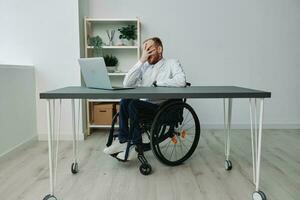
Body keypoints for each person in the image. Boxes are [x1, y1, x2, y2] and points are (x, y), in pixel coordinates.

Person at [103, 37, 186, 161]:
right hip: (145, 105)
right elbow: (127, 83)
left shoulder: (172, 63)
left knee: (133, 105)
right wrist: (141, 60)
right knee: (125, 100)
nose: (146, 52)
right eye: (144, 50)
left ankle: (136, 145)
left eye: (149, 49)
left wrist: (158, 83)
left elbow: (181, 81)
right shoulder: (144, 66)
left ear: (159, 49)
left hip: (162, 107)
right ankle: (123, 141)